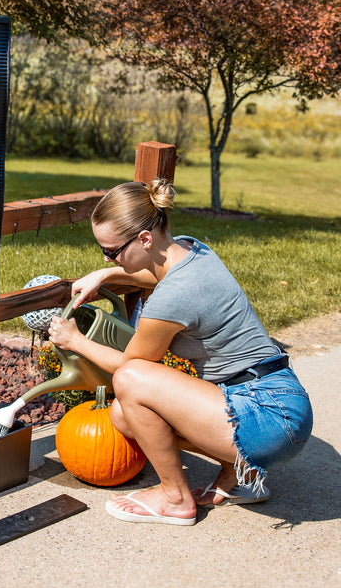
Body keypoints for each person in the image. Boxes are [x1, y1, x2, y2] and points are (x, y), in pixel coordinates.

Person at [48, 179, 313, 526]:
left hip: (265, 416)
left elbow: (131, 365)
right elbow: (158, 275)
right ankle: (241, 474)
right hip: (280, 402)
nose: (106, 255)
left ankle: (175, 498)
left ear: (144, 239)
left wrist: (75, 341)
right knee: (124, 417)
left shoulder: (172, 298)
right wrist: (109, 272)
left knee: (131, 379)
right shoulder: (192, 249)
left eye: (111, 251)